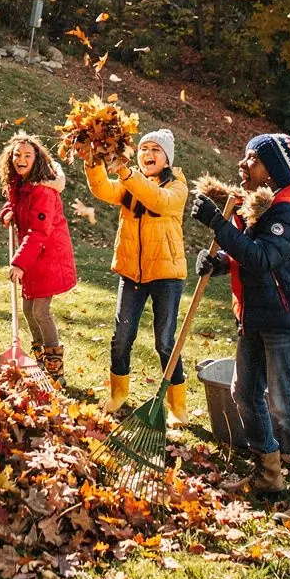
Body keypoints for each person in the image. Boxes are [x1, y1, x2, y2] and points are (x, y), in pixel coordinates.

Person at [191, 131, 290, 527]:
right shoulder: (261, 208)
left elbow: (263, 258)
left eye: (253, 158)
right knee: (244, 392)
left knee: (284, 403)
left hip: (285, 317)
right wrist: (219, 262)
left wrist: (218, 224)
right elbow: (246, 256)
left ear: (275, 170)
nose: (243, 163)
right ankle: (268, 473)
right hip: (256, 313)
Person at [84, 129, 190, 422]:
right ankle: (118, 393)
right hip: (132, 273)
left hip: (166, 274)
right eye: (144, 149)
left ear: (167, 159)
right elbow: (102, 189)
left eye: (156, 150)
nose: (148, 154)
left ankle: (177, 406)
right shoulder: (130, 183)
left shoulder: (177, 187)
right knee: (122, 337)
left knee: (165, 341)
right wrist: (93, 159)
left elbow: (158, 201)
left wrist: (126, 173)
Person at [0, 133, 76, 386]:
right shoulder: (19, 184)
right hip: (34, 255)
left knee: (41, 310)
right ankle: (40, 360)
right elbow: (15, 205)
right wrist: (8, 211)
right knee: (28, 309)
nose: (21, 159)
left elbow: (39, 231)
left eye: (27, 155)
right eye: (17, 155)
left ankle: (55, 370)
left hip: (49, 256)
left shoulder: (42, 190)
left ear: (36, 159)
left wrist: (19, 263)